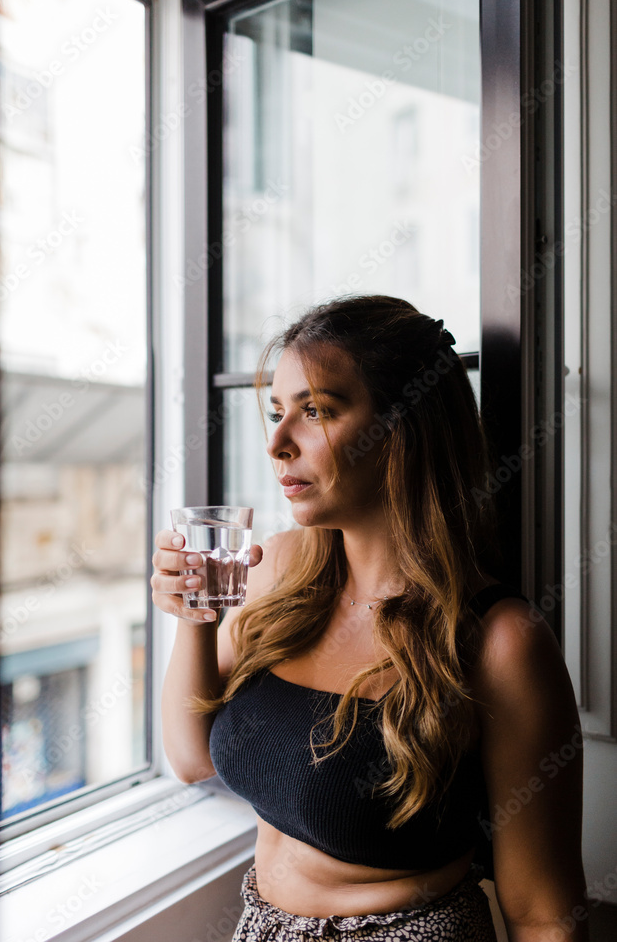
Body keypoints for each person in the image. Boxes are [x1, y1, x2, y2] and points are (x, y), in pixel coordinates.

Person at [151, 295, 588, 941]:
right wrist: (195, 617)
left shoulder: (499, 641)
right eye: (276, 414)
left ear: (402, 427)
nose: (276, 444)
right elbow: (192, 759)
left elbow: (544, 915)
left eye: (315, 412)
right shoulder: (276, 570)